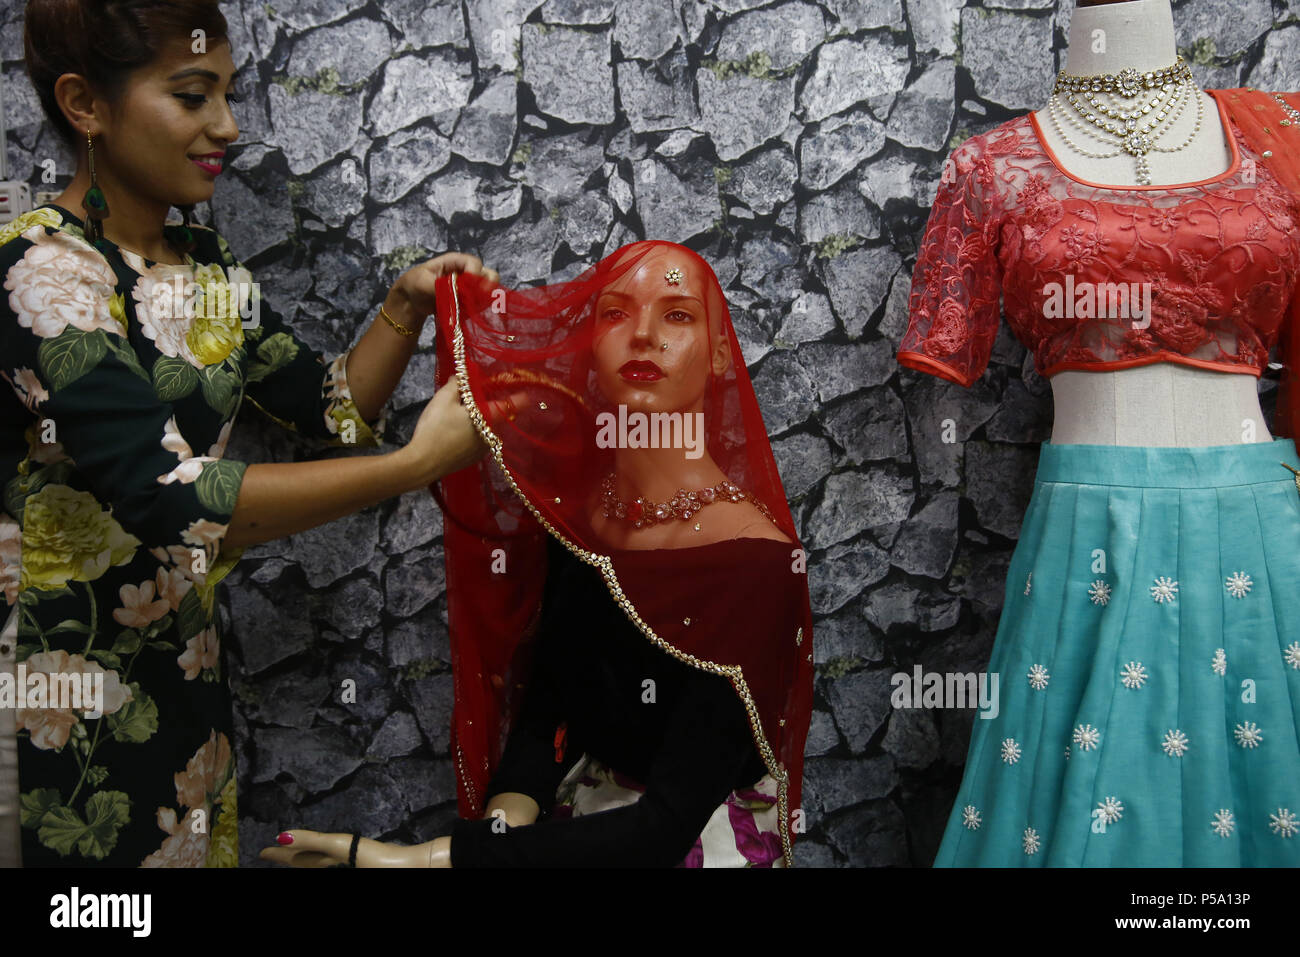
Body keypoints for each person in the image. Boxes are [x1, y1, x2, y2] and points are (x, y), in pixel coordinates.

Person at [1, 0, 489, 867]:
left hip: (181, 679)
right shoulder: (42, 274)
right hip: (53, 703)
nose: (227, 125)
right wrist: (416, 466)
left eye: (228, 93)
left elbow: (329, 407)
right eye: (193, 96)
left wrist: (404, 308)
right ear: (85, 104)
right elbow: (167, 495)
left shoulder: (207, 265)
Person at [897, 0, 1300, 865]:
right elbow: (947, 347)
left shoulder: (1286, 141)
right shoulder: (989, 169)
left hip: (1262, 533)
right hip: (1090, 536)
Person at [261, 240, 816, 867]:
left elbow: (664, 828)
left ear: (719, 354)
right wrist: (504, 830)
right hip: (569, 835)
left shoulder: (751, 562)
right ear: (590, 347)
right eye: (614, 313)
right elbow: (548, 711)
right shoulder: (584, 520)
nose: (642, 335)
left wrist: (421, 859)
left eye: (678, 315)